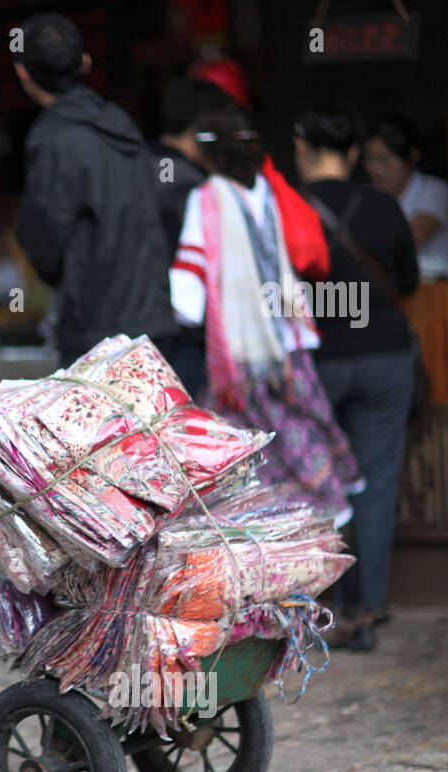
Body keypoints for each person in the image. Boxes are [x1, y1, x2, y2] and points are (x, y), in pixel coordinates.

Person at [169, 101, 360, 523]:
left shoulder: (207, 198)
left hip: (242, 353)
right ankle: (319, 518)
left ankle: (268, 544)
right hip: (287, 341)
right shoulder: (270, 191)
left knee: (243, 460)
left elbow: (187, 295)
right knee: (302, 435)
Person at [295, 101, 420, 652]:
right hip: (383, 355)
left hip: (316, 362)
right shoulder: (382, 205)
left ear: (301, 149)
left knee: (316, 485)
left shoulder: (284, 208)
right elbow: (410, 282)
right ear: (352, 154)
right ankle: (366, 611)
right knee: (374, 485)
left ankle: (320, 613)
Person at [12, 12, 178, 366]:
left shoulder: (56, 138)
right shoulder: (120, 125)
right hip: (154, 320)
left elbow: (43, 238)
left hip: (98, 331)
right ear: (84, 62)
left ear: (22, 72)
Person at [150, 76, 236, 395]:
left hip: (130, 332)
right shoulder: (196, 189)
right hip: (182, 338)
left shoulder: (128, 170)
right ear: (199, 128)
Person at [363, 112, 448, 262]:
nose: (376, 169)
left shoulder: (436, 191)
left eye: (384, 160)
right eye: (369, 159)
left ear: (412, 156)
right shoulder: (365, 194)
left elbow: (404, 246)